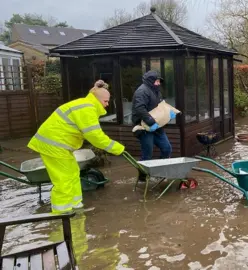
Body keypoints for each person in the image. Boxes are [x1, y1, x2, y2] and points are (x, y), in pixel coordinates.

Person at [27, 80, 125, 213]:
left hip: (59, 146)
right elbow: (95, 136)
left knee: (73, 174)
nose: (107, 105)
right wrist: (117, 148)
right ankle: (62, 215)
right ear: (98, 99)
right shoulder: (87, 109)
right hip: (54, 145)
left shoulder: (86, 105)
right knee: (64, 180)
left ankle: (76, 206)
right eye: (106, 101)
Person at [131, 70, 173, 165]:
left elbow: (161, 105)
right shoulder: (142, 91)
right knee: (147, 154)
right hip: (144, 127)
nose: (158, 83)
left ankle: (160, 170)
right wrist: (150, 120)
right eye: (157, 81)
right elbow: (139, 108)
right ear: (150, 80)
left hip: (157, 127)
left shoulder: (156, 91)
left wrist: (168, 113)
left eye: (159, 82)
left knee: (167, 149)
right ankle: (143, 177)